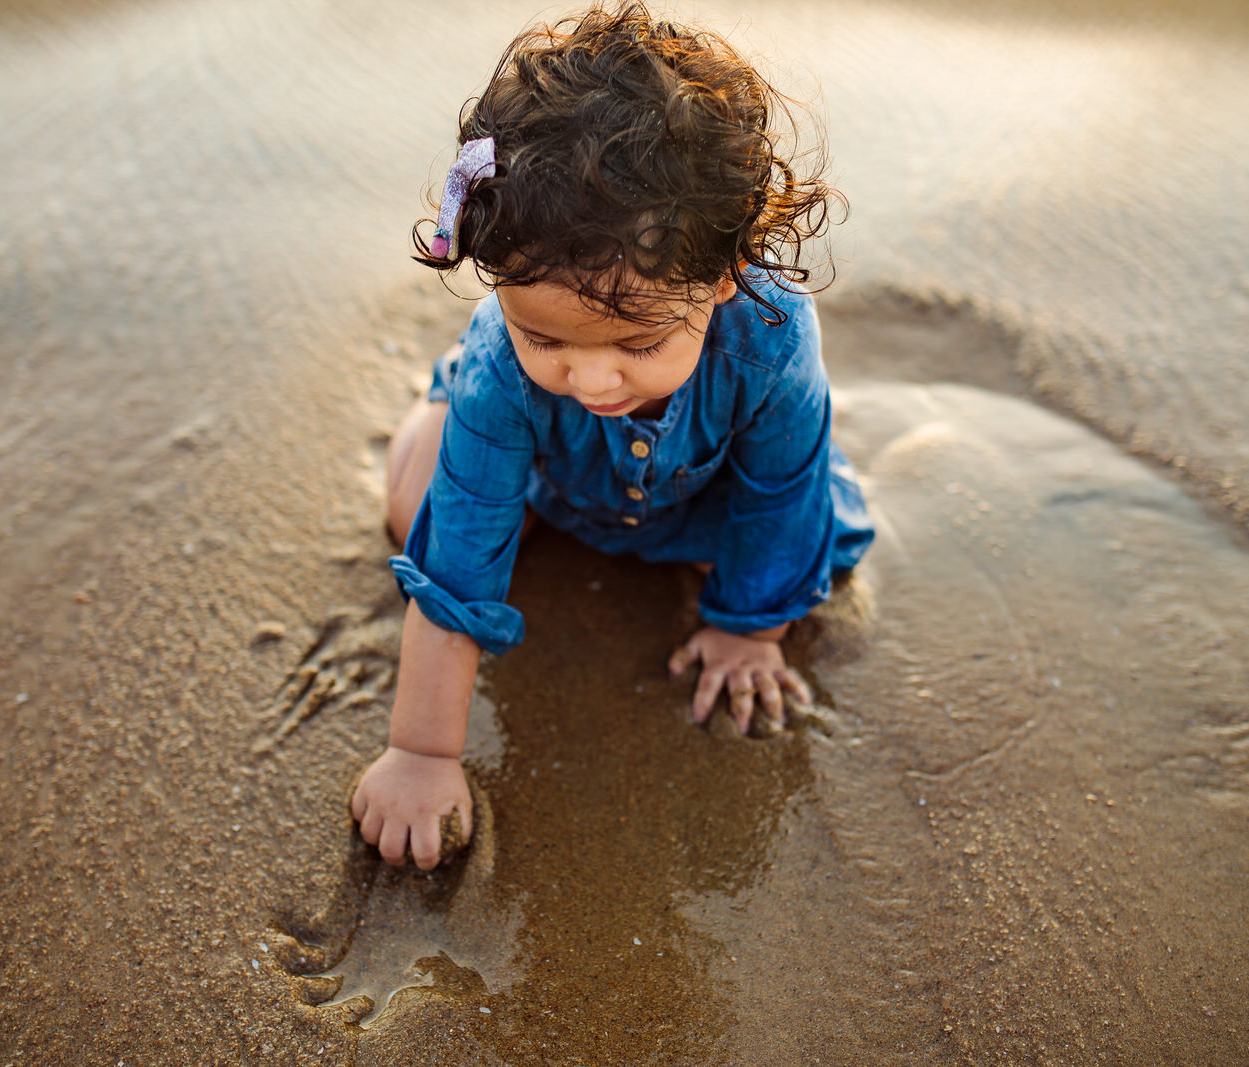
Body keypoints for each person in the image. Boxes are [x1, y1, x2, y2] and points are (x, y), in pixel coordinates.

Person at [351, 1, 873, 870]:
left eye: (638, 344)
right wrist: (423, 752)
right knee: (420, 511)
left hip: (696, 491)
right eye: (544, 337)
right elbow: (460, 554)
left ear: (723, 278)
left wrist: (749, 629)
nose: (591, 380)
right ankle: (439, 407)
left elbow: (783, 489)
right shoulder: (501, 354)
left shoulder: (772, 334)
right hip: (550, 474)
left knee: (801, 565)